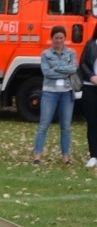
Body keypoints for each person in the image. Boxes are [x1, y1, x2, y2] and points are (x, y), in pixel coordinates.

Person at [33, 26, 78, 166]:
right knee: (44, 125)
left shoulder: (71, 53)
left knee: (65, 126)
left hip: (67, 92)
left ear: (65, 38)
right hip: (49, 92)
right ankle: (37, 155)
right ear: (51, 38)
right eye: (56, 38)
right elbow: (47, 73)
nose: (59, 40)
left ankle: (65, 156)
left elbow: (74, 69)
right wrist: (65, 70)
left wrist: (57, 68)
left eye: (61, 38)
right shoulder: (45, 54)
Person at [80, 27, 97, 168]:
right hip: (90, 87)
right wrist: (92, 77)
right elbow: (83, 63)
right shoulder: (90, 44)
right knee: (92, 123)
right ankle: (93, 156)